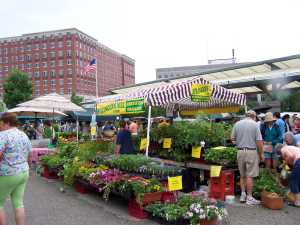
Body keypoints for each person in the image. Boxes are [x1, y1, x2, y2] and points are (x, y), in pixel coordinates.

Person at [0, 113, 32, 225]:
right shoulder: (23, 135)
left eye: (1, 123)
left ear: (6, 123)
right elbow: (29, 155)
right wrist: (29, 168)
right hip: (23, 172)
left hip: (8, 173)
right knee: (18, 203)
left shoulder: (3, 135)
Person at [231, 110, 264, 205]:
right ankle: (249, 197)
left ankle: (242, 194)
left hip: (240, 151)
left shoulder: (237, 124)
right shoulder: (255, 124)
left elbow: (232, 138)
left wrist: (239, 143)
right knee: (250, 175)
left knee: (242, 175)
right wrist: (261, 154)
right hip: (251, 151)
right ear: (254, 116)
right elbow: (259, 141)